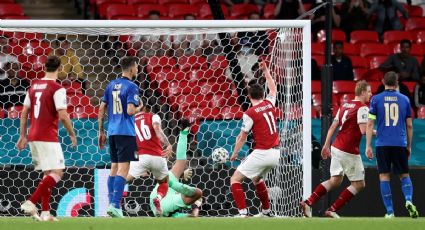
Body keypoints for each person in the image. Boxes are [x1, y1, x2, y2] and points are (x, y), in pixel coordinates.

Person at [16, 55, 77, 221]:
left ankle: (45, 213)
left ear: (45, 67)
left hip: (33, 135)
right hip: (47, 135)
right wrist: (72, 133)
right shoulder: (57, 88)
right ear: (60, 68)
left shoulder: (34, 86)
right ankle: (31, 202)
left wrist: (22, 135)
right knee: (58, 172)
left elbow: (24, 113)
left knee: (48, 173)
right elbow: (63, 115)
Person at [301, 80, 372, 218]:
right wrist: (376, 131)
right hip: (348, 150)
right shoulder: (362, 108)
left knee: (335, 180)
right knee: (359, 184)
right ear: (363, 92)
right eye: (369, 91)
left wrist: (326, 145)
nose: (371, 94)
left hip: (336, 147)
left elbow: (333, 126)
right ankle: (333, 209)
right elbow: (364, 130)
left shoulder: (344, 105)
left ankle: (309, 202)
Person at [365, 71, 419, 218]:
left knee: (384, 176)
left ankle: (390, 212)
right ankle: (408, 200)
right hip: (399, 143)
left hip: (382, 143)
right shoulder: (405, 100)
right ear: (397, 83)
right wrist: (408, 146)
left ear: (383, 82)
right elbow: (409, 125)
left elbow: (370, 123)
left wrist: (368, 145)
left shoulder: (376, 99)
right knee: (404, 175)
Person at [229, 60, 279, 217]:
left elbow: (242, 138)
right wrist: (266, 71)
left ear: (249, 95)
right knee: (257, 179)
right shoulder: (270, 103)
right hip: (276, 154)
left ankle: (243, 213)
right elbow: (273, 87)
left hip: (263, 153)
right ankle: (266, 211)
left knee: (235, 179)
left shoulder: (249, 113)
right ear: (262, 95)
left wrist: (235, 154)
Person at [127, 118, 203, 217]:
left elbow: (181, 161)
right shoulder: (181, 197)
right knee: (197, 193)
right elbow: (193, 216)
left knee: (182, 167)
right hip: (164, 202)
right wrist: (197, 206)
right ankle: (169, 184)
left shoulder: (178, 195)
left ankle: (184, 132)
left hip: (159, 198)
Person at [98, 56, 143, 218]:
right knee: (124, 169)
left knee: (114, 168)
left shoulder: (111, 85)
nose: (137, 70)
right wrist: (140, 108)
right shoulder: (132, 86)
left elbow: (102, 107)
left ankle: (111, 204)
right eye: (136, 67)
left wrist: (101, 130)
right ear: (131, 69)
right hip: (125, 132)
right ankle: (116, 205)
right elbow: (131, 111)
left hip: (112, 132)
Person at [126, 102, 173, 216]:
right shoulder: (153, 116)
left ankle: (113, 203)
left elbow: (132, 145)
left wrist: (140, 165)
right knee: (164, 182)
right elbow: (157, 129)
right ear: (146, 108)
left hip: (141, 157)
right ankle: (158, 198)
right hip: (158, 157)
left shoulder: (130, 122)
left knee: (122, 180)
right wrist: (168, 144)